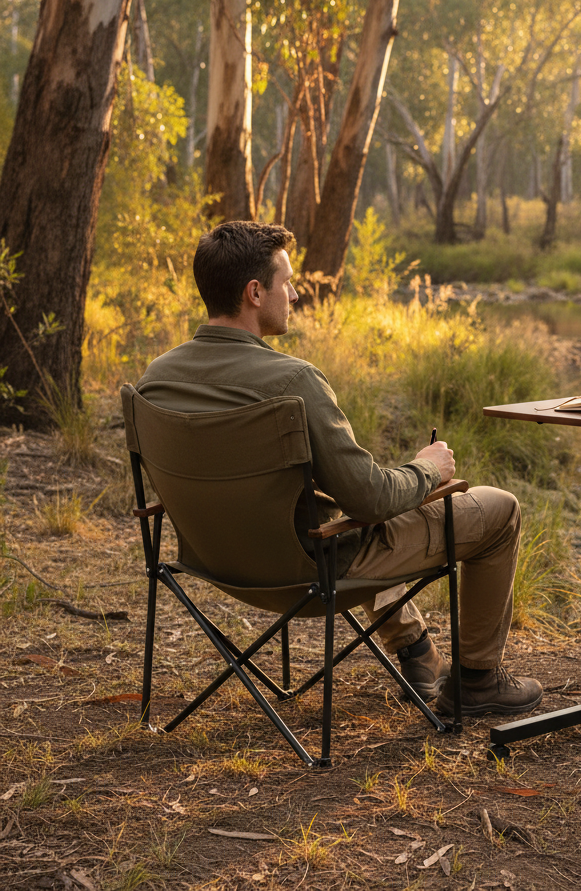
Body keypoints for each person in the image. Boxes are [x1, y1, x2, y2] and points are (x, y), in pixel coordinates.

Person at [135, 220, 542, 717]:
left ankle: (415, 649)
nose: (297, 295)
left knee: (341, 502)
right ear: (255, 292)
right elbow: (370, 501)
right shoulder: (294, 380)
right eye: (288, 283)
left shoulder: (156, 378)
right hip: (307, 571)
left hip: (213, 562)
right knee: (498, 509)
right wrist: (427, 469)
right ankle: (478, 682)